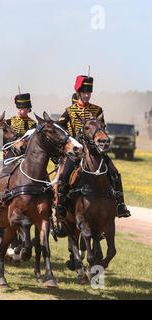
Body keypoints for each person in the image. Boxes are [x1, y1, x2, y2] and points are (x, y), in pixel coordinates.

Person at [56, 75, 131, 225]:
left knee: (114, 172)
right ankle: (61, 206)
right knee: (64, 175)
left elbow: (102, 128)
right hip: (76, 151)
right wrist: (69, 141)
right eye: (84, 92)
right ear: (78, 93)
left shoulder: (97, 110)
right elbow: (59, 128)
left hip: (95, 151)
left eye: (89, 92)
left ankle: (120, 205)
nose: (87, 95)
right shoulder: (70, 111)